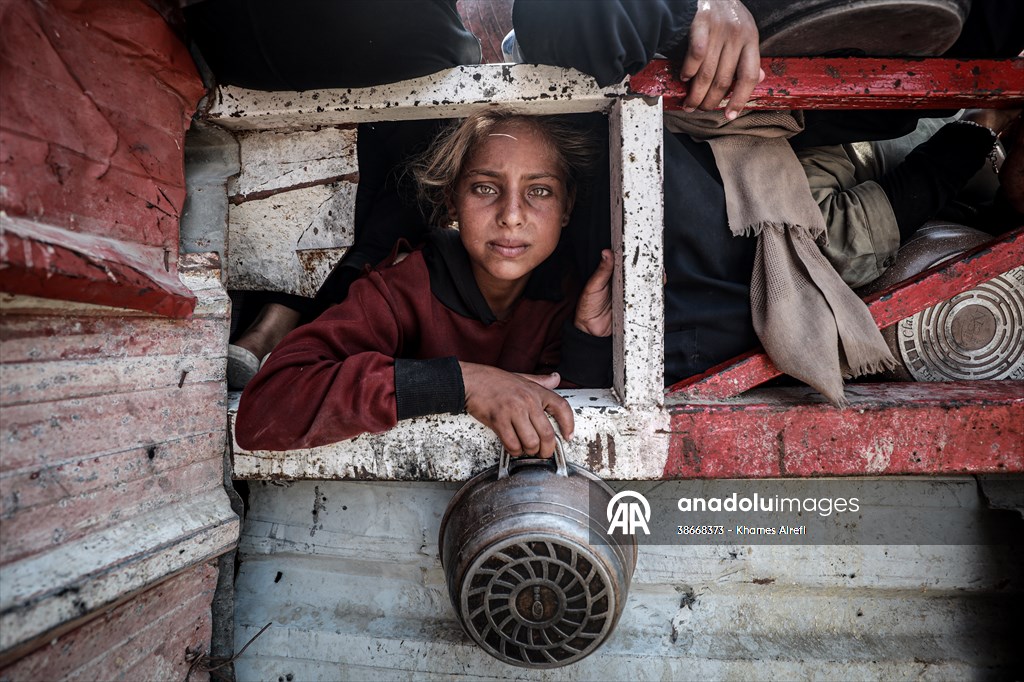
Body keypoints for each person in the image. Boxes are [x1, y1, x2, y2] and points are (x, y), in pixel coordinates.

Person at [235, 109, 614, 457]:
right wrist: (462, 383)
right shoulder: (400, 288)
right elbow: (266, 408)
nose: (511, 216)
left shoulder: (565, 298)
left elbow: (569, 424)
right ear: (452, 201)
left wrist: (588, 340)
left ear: (566, 207)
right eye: (485, 187)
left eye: (539, 191)